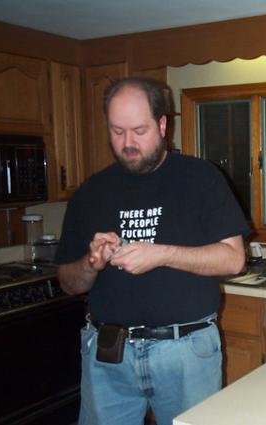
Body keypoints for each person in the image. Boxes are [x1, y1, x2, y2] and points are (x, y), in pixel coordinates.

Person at [55, 76, 249, 425]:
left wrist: (160, 254)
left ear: (162, 126)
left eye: (139, 131)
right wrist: (92, 263)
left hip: (185, 352)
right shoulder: (90, 192)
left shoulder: (201, 178)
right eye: (117, 131)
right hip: (108, 356)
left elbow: (233, 259)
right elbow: (69, 282)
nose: (128, 143)